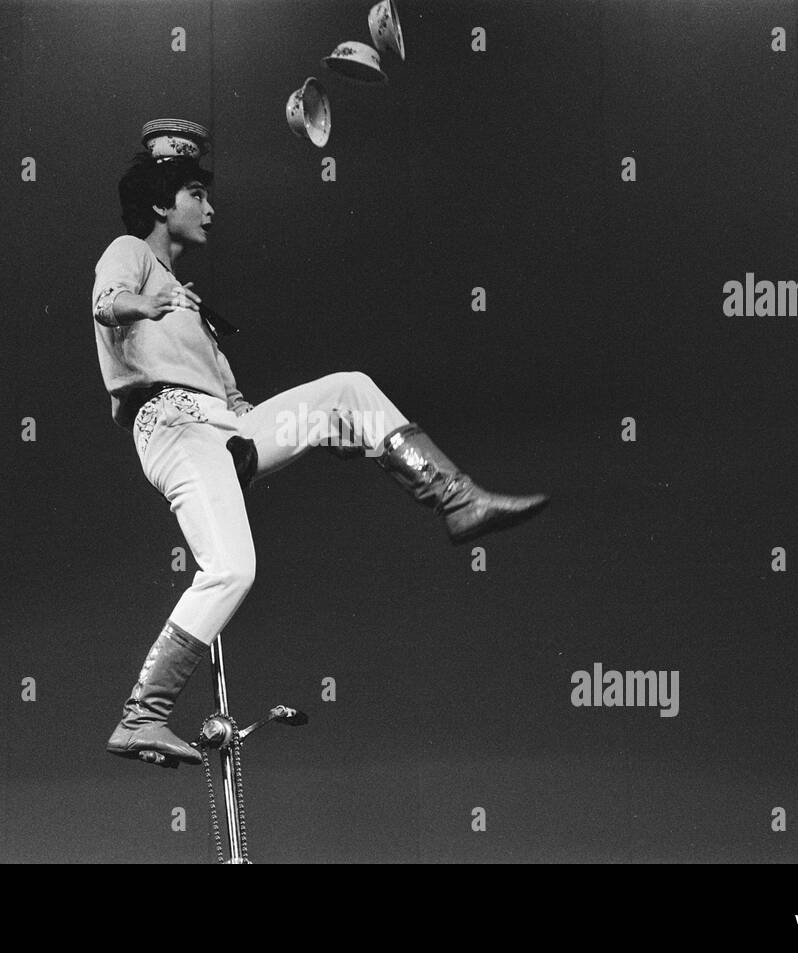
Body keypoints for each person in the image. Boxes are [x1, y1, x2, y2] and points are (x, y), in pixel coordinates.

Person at [95, 151, 549, 767]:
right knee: (231, 570)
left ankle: (457, 499)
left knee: (348, 390)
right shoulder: (129, 251)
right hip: (174, 426)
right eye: (196, 194)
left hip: (229, 430)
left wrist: (295, 425)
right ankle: (141, 717)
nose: (210, 208)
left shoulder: (189, 305)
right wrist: (140, 307)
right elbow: (109, 301)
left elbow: (232, 397)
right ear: (159, 204)